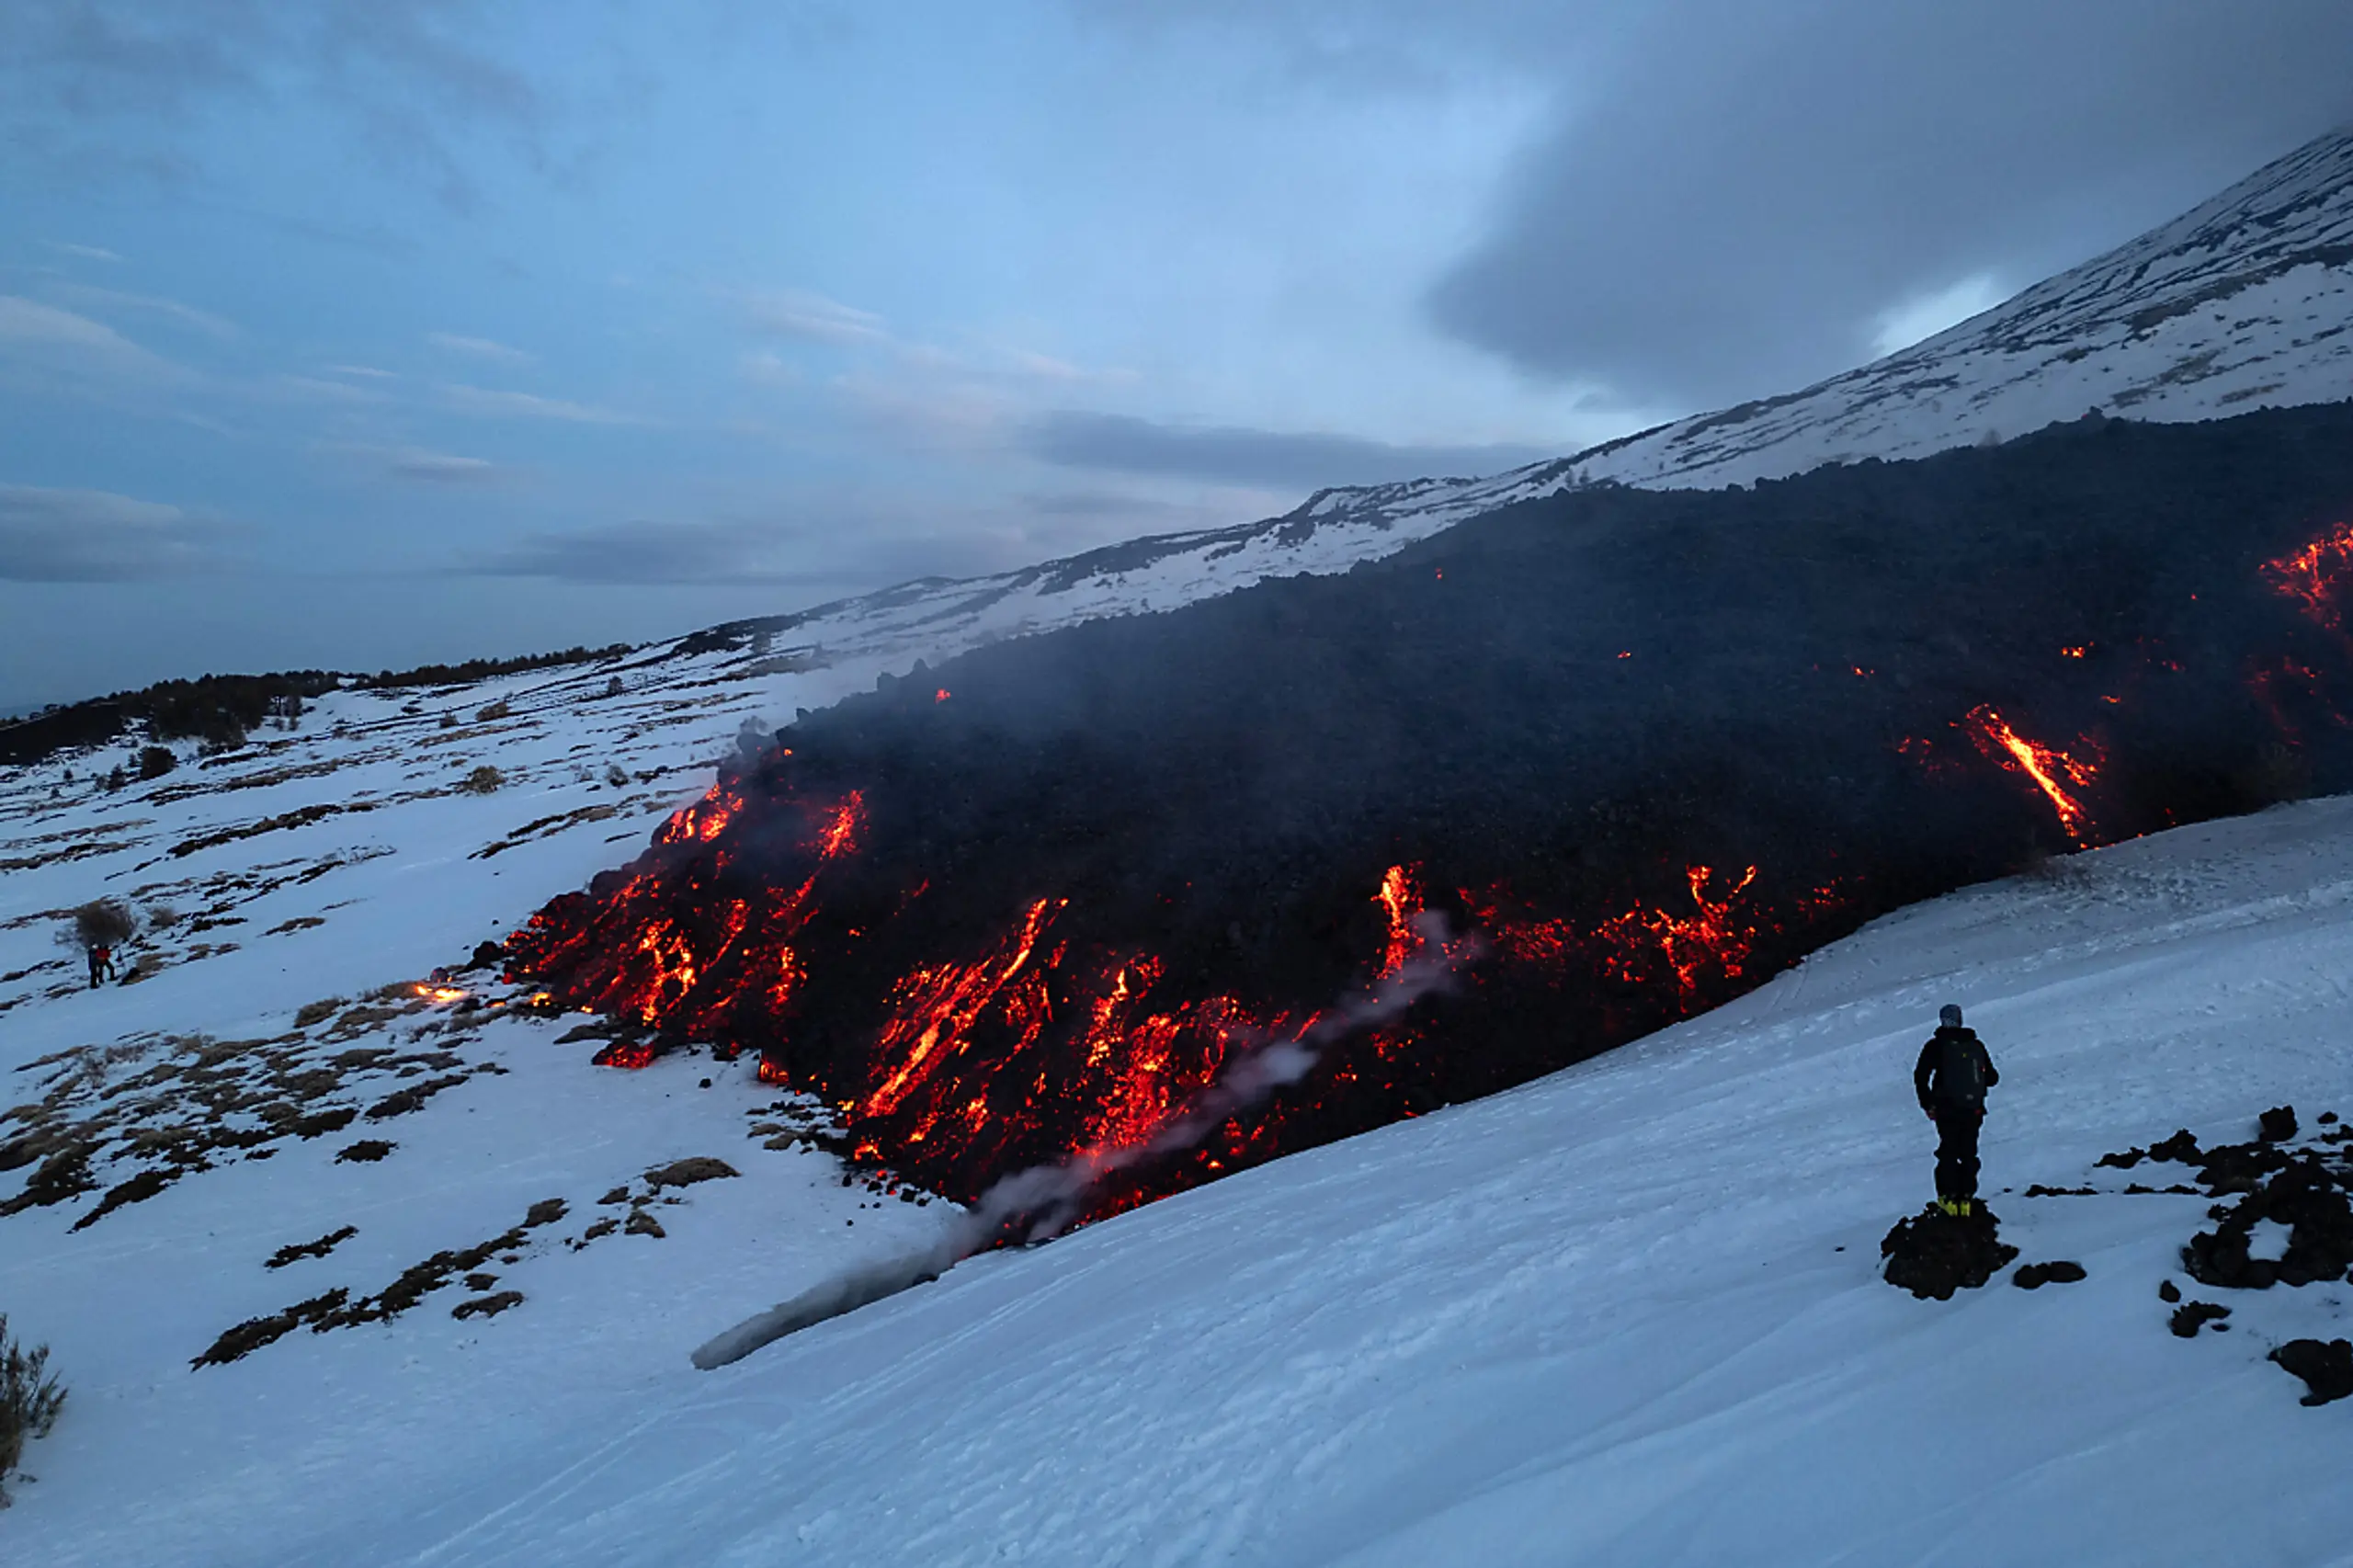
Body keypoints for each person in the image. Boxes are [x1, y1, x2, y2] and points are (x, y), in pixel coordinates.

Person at [1914, 1004, 1997, 1215]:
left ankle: (1948, 1198)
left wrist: (1927, 1103)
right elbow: (1992, 1078)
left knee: (1948, 1151)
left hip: (1946, 1108)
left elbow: (1920, 1076)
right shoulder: (1975, 1044)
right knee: (1969, 1151)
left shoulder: (1935, 1045)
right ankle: (1966, 1198)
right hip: (1973, 1109)